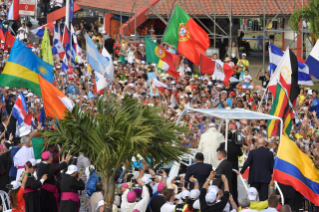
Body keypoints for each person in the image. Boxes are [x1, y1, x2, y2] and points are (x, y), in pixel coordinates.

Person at [219, 131, 243, 204]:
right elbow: (240, 153)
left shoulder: (223, 144)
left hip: (225, 168)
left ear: (224, 137)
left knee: (225, 184)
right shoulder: (236, 144)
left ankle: (225, 201)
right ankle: (234, 201)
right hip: (234, 168)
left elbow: (218, 151)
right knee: (234, 186)